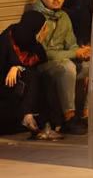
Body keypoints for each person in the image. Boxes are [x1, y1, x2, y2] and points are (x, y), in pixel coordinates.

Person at [33, 0, 90, 135]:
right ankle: (68, 119)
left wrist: (82, 53)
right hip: (42, 64)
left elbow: (71, 44)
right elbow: (41, 53)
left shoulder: (63, 16)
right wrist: (74, 54)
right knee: (67, 67)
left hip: (62, 60)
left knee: (92, 66)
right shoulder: (35, 16)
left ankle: (86, 114)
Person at [0, 10, 62, 140]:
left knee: (43, 77)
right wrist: (16, 67)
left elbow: (39, 59)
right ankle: (31, 118)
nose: (45, 31)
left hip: (25, 88)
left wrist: (18, 67)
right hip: (6, 89)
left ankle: (48, 124)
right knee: (31, 74)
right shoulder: (6, 39)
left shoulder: (33, 43)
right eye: (43, 28)